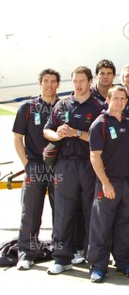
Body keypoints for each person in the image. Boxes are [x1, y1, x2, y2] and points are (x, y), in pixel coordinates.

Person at [44, 66, 104, 275]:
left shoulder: (98, 106)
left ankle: (93, 259)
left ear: (90, 82)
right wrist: (58, 135)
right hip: (65, 164)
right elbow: (47, 130)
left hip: (88, 164)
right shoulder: (62, 104)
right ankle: (62, 258)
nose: (78, 84)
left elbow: (99, 138)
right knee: (63, 212)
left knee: (91, 212)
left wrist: (76, 132)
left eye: (82, 80)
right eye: (75, 81)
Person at [87, 86, 129, 283]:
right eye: (116, 98)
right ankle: (98, 267)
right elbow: (95, 157)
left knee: (127, 226)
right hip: (108, 184)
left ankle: (124, 263)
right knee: (102, 227)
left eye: (123, 99)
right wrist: (105, 183)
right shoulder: (99, 124)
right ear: (108, 100)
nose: (119, 102)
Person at [13, 69, 60, 270]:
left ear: (58, 84)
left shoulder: (64, 106)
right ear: (40, 83)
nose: (49, 85)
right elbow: (17, 138)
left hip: (59, 166)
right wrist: (27, 165)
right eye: (45, 81)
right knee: (30, 212)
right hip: (35, 166)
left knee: (62, 211)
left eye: (53, 82)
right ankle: (26, 254)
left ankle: (61, 253)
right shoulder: (28, 107)